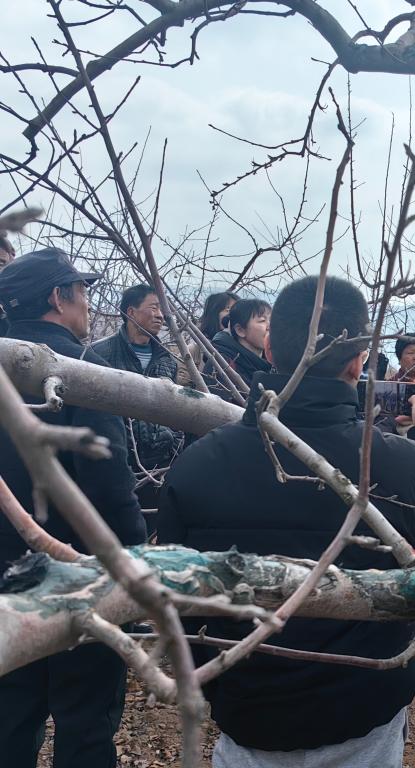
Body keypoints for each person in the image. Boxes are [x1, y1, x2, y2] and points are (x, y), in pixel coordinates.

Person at [158, 275, 415, 768]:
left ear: (270, 349)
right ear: (359, 360)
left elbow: (178, 597)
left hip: (248, 710)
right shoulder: (398, 463)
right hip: (364, 705)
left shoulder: (198, 464)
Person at [0, 248, 146, 768]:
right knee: (85, 719)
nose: (88, 303)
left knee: (11, 714)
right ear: (58, 298)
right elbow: (109, 489)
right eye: (81, 291)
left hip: (6, 578)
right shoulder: (82, 373)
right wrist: (136, 562)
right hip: (81, 578)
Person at [93, 284, 182, 513]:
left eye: (161, 309)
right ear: (131, 312)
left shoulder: (167, 359)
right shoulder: (99, 354)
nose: (160, 315)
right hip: (118, 464)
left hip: (160, 467)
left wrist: (172, 442)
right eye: (153, 307)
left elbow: (176, 411)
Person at [205, 297, 272, 395]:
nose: (270, 326)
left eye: (272, 320)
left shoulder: (273, 364)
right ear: (240, 330)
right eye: (262, 320)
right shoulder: (221, 365)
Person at [177, 290, 237, 387]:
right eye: (228, 309)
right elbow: (183, 389)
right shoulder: (193, 351)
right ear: (213, 314)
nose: (234, 316)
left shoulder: (245, 350)